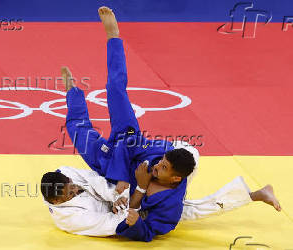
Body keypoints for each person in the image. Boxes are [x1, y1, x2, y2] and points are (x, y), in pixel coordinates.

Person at [42, 6, 281, 242]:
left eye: (163, 168)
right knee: (115, 91)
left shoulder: (169, 203)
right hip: (120, 164)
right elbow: (129, 147)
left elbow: (149, 227)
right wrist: (126, 187)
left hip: (113, 173)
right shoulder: (156, 158)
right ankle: (113, 38)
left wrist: (131, 203)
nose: (157, 167)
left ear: (175, 179)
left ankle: (254, 194)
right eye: (162, 164)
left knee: (186, 211)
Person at [41, 165, 281, 237]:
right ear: (57, 200)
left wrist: (116, 194)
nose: (75, 190)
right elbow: (106, 224)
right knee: (185, 212)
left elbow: (93, 178)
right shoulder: (70, 219)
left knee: (181, 205)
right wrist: (128, 211)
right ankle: (255, 195)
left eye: (72, 186)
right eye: (70, 194)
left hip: (120, 194)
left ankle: (255, 195)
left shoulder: (64, 173)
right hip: (126, 218)